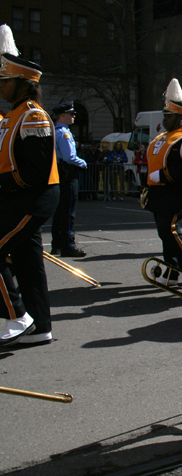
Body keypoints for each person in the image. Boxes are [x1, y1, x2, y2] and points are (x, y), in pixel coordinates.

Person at [0, 24, 60, 347]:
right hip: (18, 196)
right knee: (27, 261)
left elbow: (33, 172)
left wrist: (1, 184)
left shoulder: (33, 116)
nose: (0, 85)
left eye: (5, 80)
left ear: (22, 84)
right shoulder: (11, 116)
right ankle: (40, 326)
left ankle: (17, 316)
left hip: (31, 197)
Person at [145, 78, 182, 286]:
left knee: (169, 229)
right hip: (160, 193)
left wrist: (164, 175)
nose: (165, 119)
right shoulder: (162, 136)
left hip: (177, 192)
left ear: (180, 117)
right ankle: (173, 271)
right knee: (164, 232)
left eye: (169, 116)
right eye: (165, 115)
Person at [50, 101, 87, 257]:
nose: (74, 117)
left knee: (59, 211)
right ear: (63, 115)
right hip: (67, 174)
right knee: (68, 212)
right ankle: (68, 245)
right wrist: (83, 163)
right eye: (71, 114)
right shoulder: (64, 133)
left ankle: (57, 244)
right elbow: (69, 157)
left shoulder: (54, 131)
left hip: (58, 174)